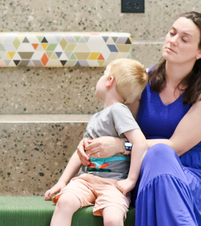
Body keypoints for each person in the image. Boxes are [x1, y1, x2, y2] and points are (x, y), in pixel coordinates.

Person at [76, 13, 201, 226]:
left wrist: (121, 146)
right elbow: (116, 121)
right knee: (156, 157)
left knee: (161, 152)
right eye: (172, 33)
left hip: (193, 181)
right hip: (145, 176)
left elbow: (175, 146)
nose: (173, 40)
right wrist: (90, 145)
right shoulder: (142, 80)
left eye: (184, 39)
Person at [43, 59, 149, 226]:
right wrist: (62, 181)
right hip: (86, 179)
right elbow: (81, 153)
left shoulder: (118, 110)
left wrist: (131, 180)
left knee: (113, 218)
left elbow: (140, 143)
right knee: (65, 202)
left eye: (103, 74)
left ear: (110, 80)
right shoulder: (96, 117)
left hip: (113, 184)